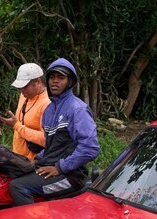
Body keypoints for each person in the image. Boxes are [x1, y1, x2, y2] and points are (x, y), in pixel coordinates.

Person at [8, 58, 100, 205]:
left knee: (18, 186)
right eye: (52, 77)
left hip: (71, 176)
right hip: (52, 167)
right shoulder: (50, 110)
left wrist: (60, 167)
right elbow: (53, 146)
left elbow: (90, 148)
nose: (55, 81)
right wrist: (37, 158)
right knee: (11, 176)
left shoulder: (77, 109)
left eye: (61, 77)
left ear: (70, 82)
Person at [0, 62, 51, 161]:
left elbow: (46, 139)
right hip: (17, 156)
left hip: (33, 163)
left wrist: (16, 125)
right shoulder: (24, 95)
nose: (22, 90)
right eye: (20, 87)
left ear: (38, 82)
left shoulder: (47, 104)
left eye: (25, 86)